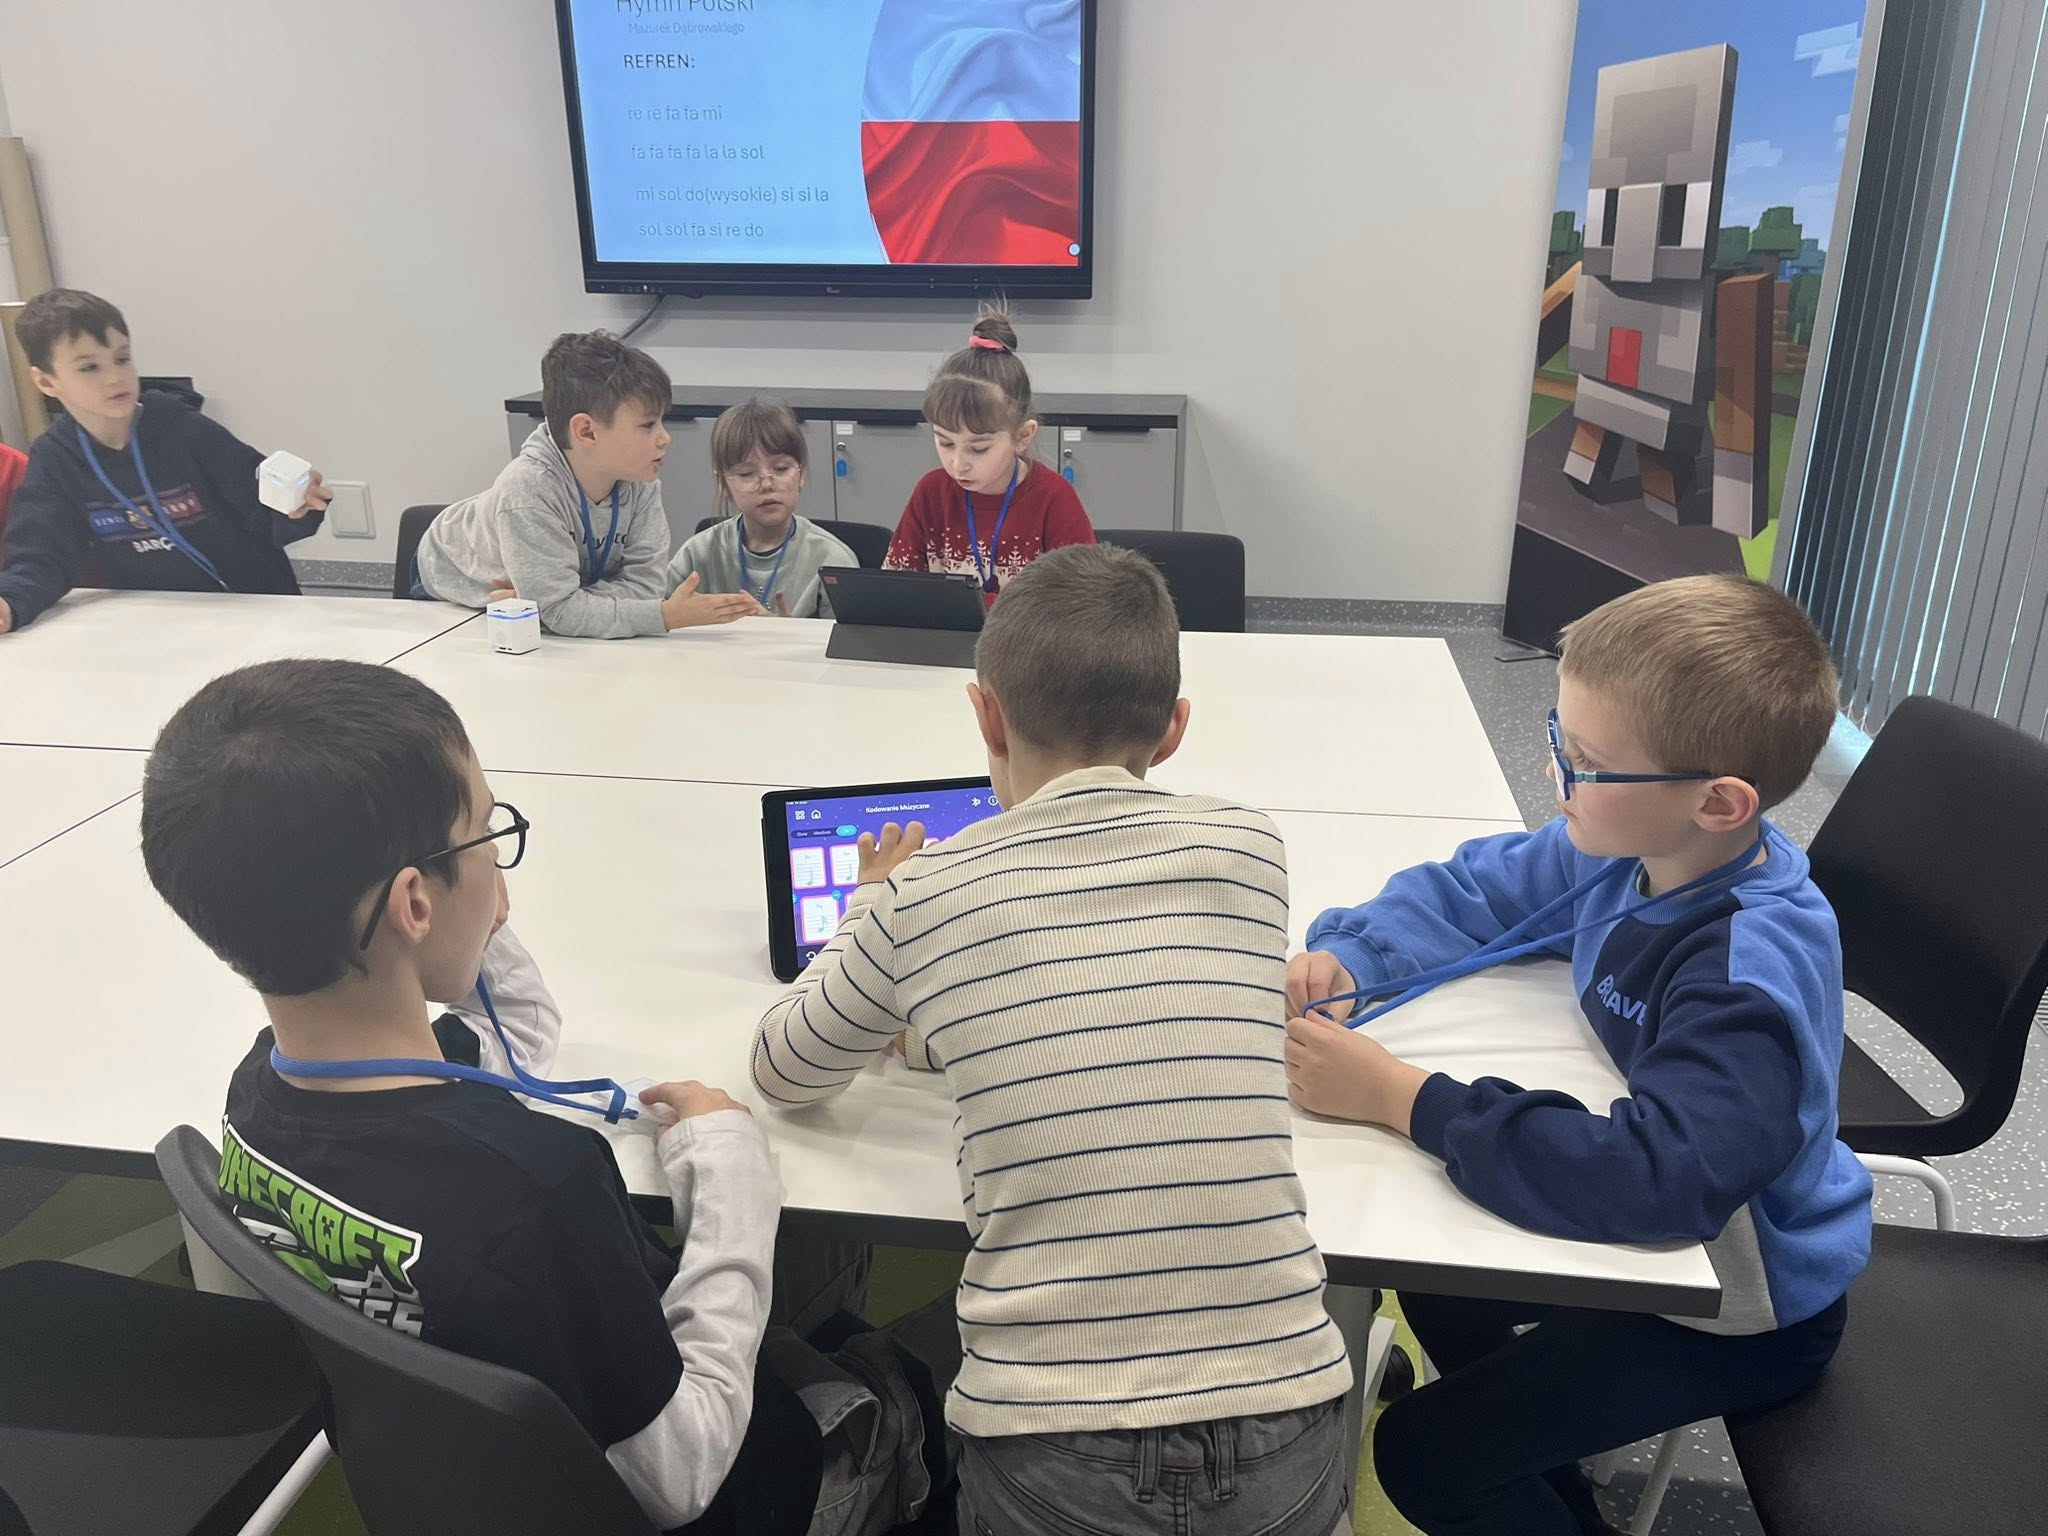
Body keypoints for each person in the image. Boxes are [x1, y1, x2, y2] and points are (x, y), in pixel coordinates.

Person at [140, 659, 952, 1536]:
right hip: (745, 1492)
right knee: (919, 1332)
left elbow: (514, 1041)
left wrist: (470, 909)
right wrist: (730, 1171)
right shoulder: (539, 1188)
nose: (497, 859)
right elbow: (681, 1474)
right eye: (485, 834)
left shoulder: (259, 1099)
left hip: (484, 1471)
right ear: (413, 902)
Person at [751, 544, 1356, 1536]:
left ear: (985, 716)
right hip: (1286, 1416)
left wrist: (869, 903)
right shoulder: (1249, 848)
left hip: (1051, 1436)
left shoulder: (923, 894)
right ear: (1173, 729)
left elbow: (783, 1068)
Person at [1283, 574, 1873, 1536]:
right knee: (1437, 1274)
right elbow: (1476, 891)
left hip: (1732, 1311)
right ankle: (1545, 1483)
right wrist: (1357, 956)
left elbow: (1660, 1178)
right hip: (1657, 1249)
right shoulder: (1633, 849)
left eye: (1587, 762)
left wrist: (1404, 1099)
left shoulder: (1745, 975)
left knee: (1424, 1454)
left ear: (1718, 803)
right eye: (1561, 738)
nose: (1558, 775)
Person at [0, 288, 332, 635]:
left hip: (256, 611)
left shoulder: (185, 430)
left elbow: (262, 510)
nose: (114, 377)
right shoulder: (55, 458)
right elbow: (41, 556)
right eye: (90, 368)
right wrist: (9, 602)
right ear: (46, 382)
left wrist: (297, 506)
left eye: (122, 359)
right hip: (157, 626)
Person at [414, 331, 760, 638]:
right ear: (587, 432)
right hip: (452, 583)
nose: (664, 438)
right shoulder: (528, 490)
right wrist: (664, 617)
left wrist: (560, 606)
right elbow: (562, 612)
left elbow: (646, 587)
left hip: (548, 590)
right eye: (647, 425)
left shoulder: (641, 480)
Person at [883, 307, 1093, 604]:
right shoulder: (931, 493)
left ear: (1022, 436)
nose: (958, 464)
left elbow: (1086, 606)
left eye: (978, 448)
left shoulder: (1054, 498)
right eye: (945, 442)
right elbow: (895, 591)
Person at [666, 397, 858, 619]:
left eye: (781, 468)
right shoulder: (696, 555)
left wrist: (792, 634)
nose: (767, 484)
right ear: (723, 485)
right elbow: (661, 625)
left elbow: (851, 639)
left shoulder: (833, 560)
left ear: (801, 475)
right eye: (746, 473)